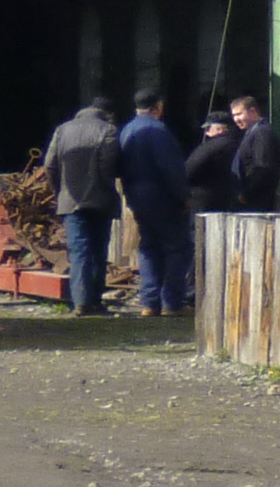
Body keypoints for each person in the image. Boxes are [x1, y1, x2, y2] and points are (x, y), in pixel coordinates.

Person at [44, 95, 122, 317]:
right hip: (100, 200)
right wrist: (103, 188)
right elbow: (109, 167)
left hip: (70, 201)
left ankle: (80, 303)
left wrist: (60, 190)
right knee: (98, 251)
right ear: (108, 114)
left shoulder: (62, 130)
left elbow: (49, 165)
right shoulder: (108, 130)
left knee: (79, 252)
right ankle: (95, 301)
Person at [119, 87, 193, 316]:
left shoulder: (126, 130)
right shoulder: (158, 131)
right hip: (162, 198)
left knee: (149, 247)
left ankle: (149, 303)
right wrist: (183, 197)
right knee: (177, 248)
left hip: (136, 197)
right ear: (158, 107)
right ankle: (172, 303)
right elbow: (170, 169)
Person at [228, 92, 280, 212]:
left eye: (239, 114)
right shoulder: (251, 132)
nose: (236, 119)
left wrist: (246, 195)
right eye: (234, 115)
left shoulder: (262, 132)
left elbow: (264, 168)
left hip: (256, 203)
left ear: (252, 111)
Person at [182, 110, 239, 216]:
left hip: (204, 201)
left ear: (220, 129)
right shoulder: (238, 144)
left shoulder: (211, 147)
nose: (206, 132)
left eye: (208, 128)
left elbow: (189, 170)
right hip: (228, 200)